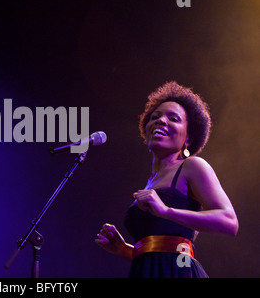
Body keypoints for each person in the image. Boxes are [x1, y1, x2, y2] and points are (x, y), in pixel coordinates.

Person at [95, 81, 238, 278]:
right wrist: (124, 250)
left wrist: (166, 211)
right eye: (155, 117)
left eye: (174, 118)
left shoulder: (192, 166)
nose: (161, 121)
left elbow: (229, 222)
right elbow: (157, 253)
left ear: (188, 139)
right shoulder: (149, 183)